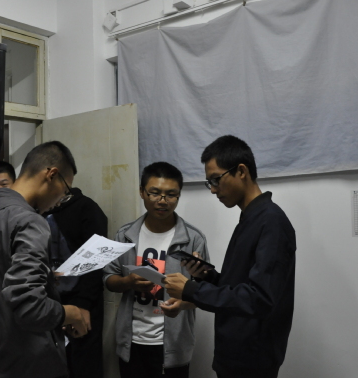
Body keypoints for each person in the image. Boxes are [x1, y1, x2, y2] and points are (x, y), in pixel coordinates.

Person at [164, 135, 296, 378]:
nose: (213, 189)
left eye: (216, 180)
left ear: (241, 171)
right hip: (234, 353)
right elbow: (238, 286)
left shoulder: (272, 222)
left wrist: (191, 290)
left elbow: (259, 299)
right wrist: (208, 276)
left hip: (252, 360)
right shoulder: (249, 219)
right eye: (209, 183)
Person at [0, 141, 88, 378]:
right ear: (51, 175)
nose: (60, 200)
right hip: (30, 366)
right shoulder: (30, 221)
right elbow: (30, 306)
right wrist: (71, 313)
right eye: (65, 190)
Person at [102, 162, 209, 378]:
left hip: (173, 344)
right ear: (142, 192)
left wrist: (182, 304)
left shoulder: (193, 239)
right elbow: (108, 278)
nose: (163, 201)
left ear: (178, 196)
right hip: (132, 342)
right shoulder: (125, 235)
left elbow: (206, 293)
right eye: (155, 193)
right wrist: (128, 282)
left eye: (171, 195)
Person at [45, 188, 108, 378]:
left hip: (82, 305)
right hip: (46, 306)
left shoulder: (86, 209)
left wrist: (83, 304)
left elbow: (96, 264)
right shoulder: (35, 210)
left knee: (83, 366)